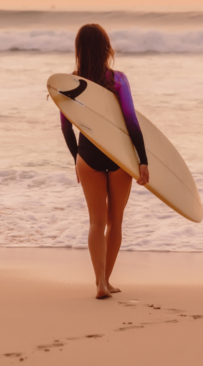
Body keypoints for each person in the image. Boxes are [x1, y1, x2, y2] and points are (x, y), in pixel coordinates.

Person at [59, 24, 150, 299]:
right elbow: (131, 122)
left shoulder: (69, 84)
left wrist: (76, 157)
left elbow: (66, 127)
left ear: (79, 50)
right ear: (106, 49)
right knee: (115, 221)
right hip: (119, 155)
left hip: (87, 155)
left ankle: (100, 282)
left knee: (96, 222)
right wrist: (143, 160)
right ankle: (106, 281)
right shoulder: (117, 80)